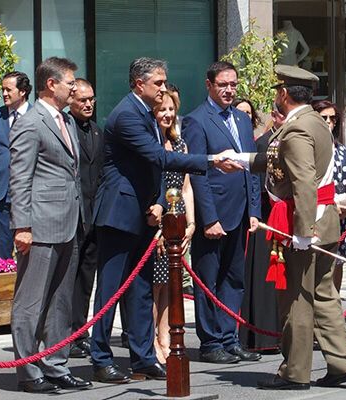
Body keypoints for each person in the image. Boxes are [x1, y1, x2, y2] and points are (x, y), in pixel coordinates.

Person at [90, 57, 240, 384]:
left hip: (145, 214)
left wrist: (159, 202)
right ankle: (100, 357)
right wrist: (212, 160)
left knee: (142, 289)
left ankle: (143, 358)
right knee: (111, 291)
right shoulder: (127, 115)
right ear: (138, 84)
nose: (163, 88)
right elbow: (159, 157)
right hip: (119, 213)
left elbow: (157, 170)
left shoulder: (146, 114)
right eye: (157, 83)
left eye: (163, 82)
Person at [240, 65, 346, 390]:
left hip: (307, 220)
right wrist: (240, 159)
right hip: (324, 217)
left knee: (297, 298)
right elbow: (279, 160)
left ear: (283, 93)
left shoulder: (297, 129)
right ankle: (341, 363)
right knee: (323, 293)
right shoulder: (313, 122)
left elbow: (304, 179)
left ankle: (295, 371)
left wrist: (303, 231)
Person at [9, 57, 90, 393]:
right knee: (31, 301)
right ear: (51, 84)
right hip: (39, 226)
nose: (75, 87)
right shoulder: (30, 122)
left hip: (68, 223)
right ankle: (28, 371)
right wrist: (22, 226)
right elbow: (20, 177)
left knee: (60, 301)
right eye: (69, 82)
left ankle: (55, 364)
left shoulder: (66, 121)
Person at [183, 61, 262, 365]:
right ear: (209, 85)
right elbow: (199, 173)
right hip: (214, 214)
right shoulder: (196, 121)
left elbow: (251, 167)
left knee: (234, 277)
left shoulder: (242, 119)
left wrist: (254, 209)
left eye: (233, 84)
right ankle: (211, 341)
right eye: (222, 85)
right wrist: (209, 218)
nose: (229, 90)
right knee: (208, 278)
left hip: (241, 212)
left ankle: (230, 338)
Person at [151, 89, 195, 363]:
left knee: (172, 284)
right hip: (156, 221)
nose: (167, 114)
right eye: (162, 109)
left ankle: (166, 334)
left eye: (171, 109)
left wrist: (191, 222)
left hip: (177, 221)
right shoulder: (149, 144)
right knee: (156, 286)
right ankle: (153, 338)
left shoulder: (181, 145)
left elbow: (187, 186)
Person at [239, 109, 285, 353]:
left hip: (286, 216)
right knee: (264, 278)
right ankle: (263, 336)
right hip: (268, 216)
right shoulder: (264, 143)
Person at [68, 78, 104, 359]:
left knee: (86, 277)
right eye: (83, 100)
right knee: (68, 276)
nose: (89, 104)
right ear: (71, 100)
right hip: (71, 214)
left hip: (94, 214)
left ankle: (81, 331)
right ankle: (65, 333)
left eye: (91, 99)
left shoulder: (95, 130)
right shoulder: (65, 128)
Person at [0, 71, 31, 260]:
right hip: (0, 192)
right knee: (2, 253)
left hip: (29, 194)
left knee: (28, 250)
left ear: (23, 91)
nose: (4, 93)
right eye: (2, 89)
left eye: (8, 89)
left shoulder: (37, 116)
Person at [312, 100, 346, 292]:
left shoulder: (338, 146)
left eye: (333, 118)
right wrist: (331, 206)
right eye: (324, 118)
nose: (329, 122)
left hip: (343, 214)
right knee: (321, 266)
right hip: (322, 211)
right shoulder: (310, 144)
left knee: (339, 261)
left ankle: (335, 310)